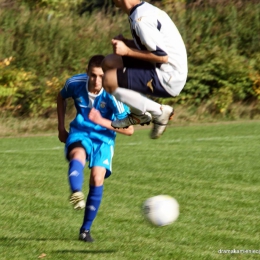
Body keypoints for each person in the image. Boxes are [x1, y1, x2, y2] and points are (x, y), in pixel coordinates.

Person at [57, 55, 134, 242]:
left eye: (101, 76)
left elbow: (129, 129)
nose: (97, 81)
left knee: (97, 177)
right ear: (87, 72)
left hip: (104, 139)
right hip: (80, 132)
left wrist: (101, 121)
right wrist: (60, 127)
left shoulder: (114, 93)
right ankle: (76, 193)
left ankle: (85, 230)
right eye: (93, 75)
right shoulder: (75, 83)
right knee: (77, 154)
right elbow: (61, 97)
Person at [101, 0, 188, 139]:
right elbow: (150, 47)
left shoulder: (141, 19)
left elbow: (162, 56)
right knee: (109, 62)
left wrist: (127, 51)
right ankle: (138, 114)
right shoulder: (141, 11)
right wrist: (127, 43)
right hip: (162, 68)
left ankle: (159, 112)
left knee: (108, 80)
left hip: (168, 77)